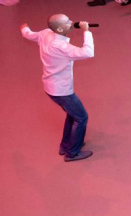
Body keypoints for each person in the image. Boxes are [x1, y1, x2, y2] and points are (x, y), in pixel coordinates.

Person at [20, 16, 95, 161]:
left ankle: (66, 145)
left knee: (72, 115)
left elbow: (29, 35)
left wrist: (24, 28)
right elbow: (88, 52)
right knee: (81, 118)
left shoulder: (45, 33)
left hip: (52, 87)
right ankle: (72, 153)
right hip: (62, 91)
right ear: (59, 29)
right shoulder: (60, 46)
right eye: (67, 22)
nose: (71, 22)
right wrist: (86, 31)